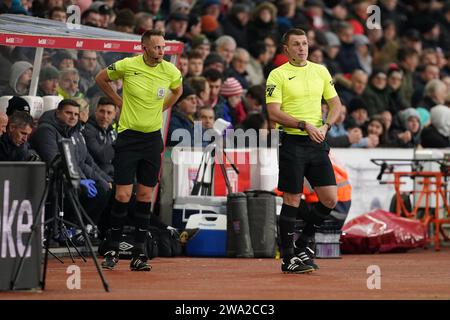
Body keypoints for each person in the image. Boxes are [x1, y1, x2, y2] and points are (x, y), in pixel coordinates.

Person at [95, 29, 182, 271]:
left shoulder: (170, 71)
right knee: (122, 195)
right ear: (143, 48)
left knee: (145, 196)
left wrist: (162, 108)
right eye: (156, 47)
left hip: (152, 139)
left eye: (163, 47)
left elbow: (178, 91)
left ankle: (140, 251)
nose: (161, 51)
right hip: (128, 138)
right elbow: (101, 78)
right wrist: (117, 100)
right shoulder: (127, 65)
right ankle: (111, 247)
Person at [266, 28, 343, 274]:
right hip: (292, 141)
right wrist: (304, 124)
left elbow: (335, 104)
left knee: (330, 198)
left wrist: (326, 125)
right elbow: (274, 112)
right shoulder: (277, 75)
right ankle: (287, 258)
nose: (302, 48)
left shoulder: (320, 70)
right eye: (296, 44)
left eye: (305, 43)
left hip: (317, 142)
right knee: (292, 198)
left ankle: (302, 243)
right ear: (286, 48)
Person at [83, 97, 117, 179]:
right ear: (96, 112)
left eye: (109, 113)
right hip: (93, 174)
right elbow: (102, 157)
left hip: (110, 172)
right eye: (102, 111)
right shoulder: (88, 130)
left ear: (114, 115)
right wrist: (119, 143)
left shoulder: (112, 131)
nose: (105, 116)